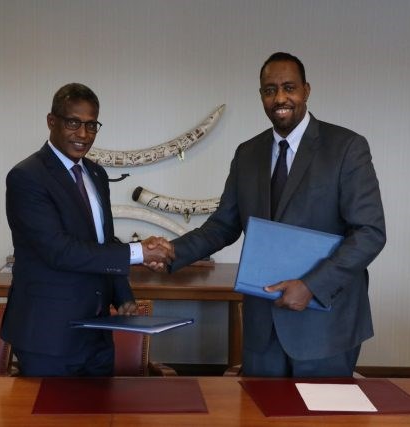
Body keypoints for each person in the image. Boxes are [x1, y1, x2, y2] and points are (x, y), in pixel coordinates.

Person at [148, 52, 386, 377]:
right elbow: (223, 225)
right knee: (259, 406)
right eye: (270, 90)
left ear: (306, 90)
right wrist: (174, 251)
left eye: (289, 87)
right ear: (261, 95)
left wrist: (312, 285)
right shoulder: (248, 153)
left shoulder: (346, 148)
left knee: (320, 408)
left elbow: (370, 233)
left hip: (325, 323)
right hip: (263, 324)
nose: (280, 98)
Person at [0, 83, 173, 377]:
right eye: (73, 123)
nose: (83, 134)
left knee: (100, 406)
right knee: (49, 408)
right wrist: (138, 252)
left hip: (97, 332)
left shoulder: (96, 173)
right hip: (48, 335)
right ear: (51, 121)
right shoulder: (27, 177)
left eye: (91, 125)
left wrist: (123, 296)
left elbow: (101, 241)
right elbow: (59, 250)